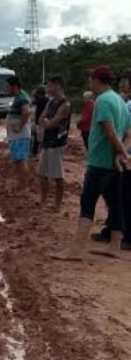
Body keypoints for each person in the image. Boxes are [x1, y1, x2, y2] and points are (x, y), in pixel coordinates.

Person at [55, 66, 131, 261]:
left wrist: (122, 153)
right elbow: (128, 134)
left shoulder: (103, 101)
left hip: (99, 163)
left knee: (87, 203)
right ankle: (114, 245)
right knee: (115, 205)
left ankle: (75, 249)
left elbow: (110, 132)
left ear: (97, 80)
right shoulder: (120, 101)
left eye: (91, 79)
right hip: (114, 164)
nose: (89, 83)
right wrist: (121, 154)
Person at [91, 68, 131, 252]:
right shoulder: (124, 102)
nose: (122, 84)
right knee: (117, 196)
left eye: (125, 81)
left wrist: (122, 154)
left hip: (123, 157)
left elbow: (121, 133)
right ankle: (112, 230)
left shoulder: (116, 102)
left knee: (124, 198)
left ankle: (126, 236)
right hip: (122, 155)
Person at [37, 75, 71, 212]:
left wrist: (47, 122)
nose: (47, 88)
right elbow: (41, 119)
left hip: (57, 143)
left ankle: (57, 205)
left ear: (58, 86)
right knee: (42, 173)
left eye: (49, 85)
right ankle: (43, 200)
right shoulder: (51, 103)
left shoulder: (65, 104)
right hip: (47, 142)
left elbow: (51, 124)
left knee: (57, 175)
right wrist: (47, 122)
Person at [5, 75, 31, 194]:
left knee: (21, 161)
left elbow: (26, 112)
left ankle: (24, 187)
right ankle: (21, 185)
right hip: (17, 136)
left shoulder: (22, 98)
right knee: (18, 161)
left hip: (20, 135)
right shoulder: (18, 97)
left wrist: (19, 126)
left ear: (14, 86)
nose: (6, 89)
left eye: (8, 86)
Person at [31, 86, 49, 158]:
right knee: (38, 137)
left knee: (39, 138)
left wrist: (33, 94)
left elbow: (32, 102)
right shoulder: (46, 99)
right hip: (42, 120)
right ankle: (36, 152)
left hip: (39, 121)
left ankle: (37, 153)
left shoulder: (40, 99)